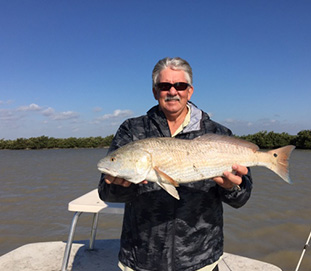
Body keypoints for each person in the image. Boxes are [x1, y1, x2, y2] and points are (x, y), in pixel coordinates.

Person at [98, 57, 253, 271]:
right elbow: (106, 193)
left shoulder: (218, 133)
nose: (172, 91)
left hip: (201, 260)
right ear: (155, 91)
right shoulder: (131, 131)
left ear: (190, 91)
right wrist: (118, 185)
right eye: (164, 86)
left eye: (180, 85)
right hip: (141, 258)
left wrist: (232, 187)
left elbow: (241, 198)